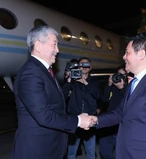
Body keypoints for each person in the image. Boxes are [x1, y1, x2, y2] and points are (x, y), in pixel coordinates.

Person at [90, 32, 146, 159]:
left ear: (141, 54)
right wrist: (96, 120)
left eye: (127, 52)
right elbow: (121, 113)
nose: (124, 57)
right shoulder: (134, 83)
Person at [12, 26, 93, 159]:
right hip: (37, 150)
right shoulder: (31, 73)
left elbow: (55, 102)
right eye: (54, 45)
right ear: (38, 45)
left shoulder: (43, 71)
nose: (57, 50)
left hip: (50, 147)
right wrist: (78, 121)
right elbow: (44, 115)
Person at [62, 57, 101, 159]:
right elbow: (62, 96)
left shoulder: (94, 82)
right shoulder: (73, 82)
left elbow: (98, 95)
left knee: (91, 152)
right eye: (81, 64)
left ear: (90, 67)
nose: (84, 66)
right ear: (78, 67)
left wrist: (85, 83)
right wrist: (69, 80)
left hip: (90, 120)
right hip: (75, 120)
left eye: (86, 64)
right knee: (71, 152)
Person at [99, 64, 128, 159]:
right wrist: (109, 84)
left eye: (123, 75)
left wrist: (122, 88)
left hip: (122, 126)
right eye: (118, 74)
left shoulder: (129, 87)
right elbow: (104, 99)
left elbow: (128, 102)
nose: (120, 77)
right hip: (110, 125)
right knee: (104, 152)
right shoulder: (112, 86)